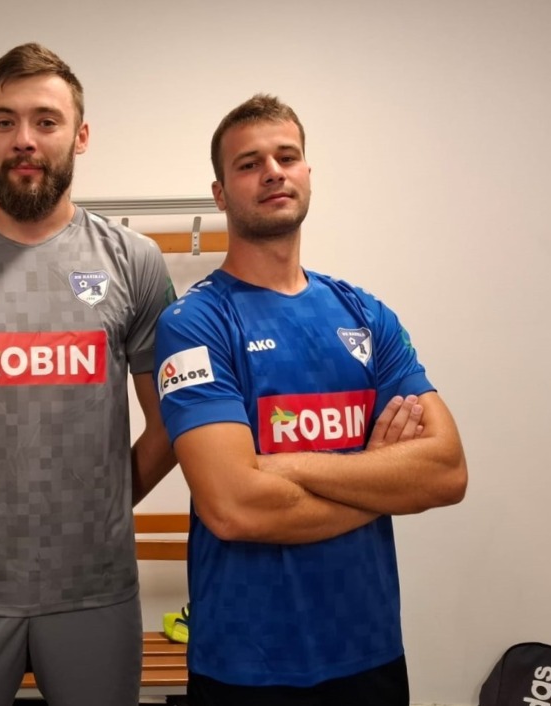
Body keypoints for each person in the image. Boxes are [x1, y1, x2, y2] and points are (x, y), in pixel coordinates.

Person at [0, 43, 178, 706]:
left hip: (93, 586)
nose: (23, 138)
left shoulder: (134, 260)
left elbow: (169, 424)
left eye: (45, 121)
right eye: (4, 121)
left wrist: (102, 506)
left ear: (80, 135)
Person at [154, 94, 468, 706]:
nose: (273, 172)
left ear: (307, 173)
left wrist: (278, 466)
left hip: (369, 649)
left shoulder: (365, 313)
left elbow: (447, 471)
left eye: (286, 156)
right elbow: (234, 508)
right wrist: (381, 483)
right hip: (245, 661)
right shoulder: (194, 324)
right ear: (220, 193)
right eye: (249, 164)